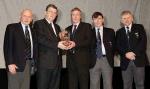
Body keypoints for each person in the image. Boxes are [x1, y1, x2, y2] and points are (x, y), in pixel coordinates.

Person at [33, 4, 67, 89]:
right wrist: (57, 44)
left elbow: (59, 42)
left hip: (57, 64)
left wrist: (66, 44)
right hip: (45, 64)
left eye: (55, 13)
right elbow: (40, 39)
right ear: (45, 13)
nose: (52, 14)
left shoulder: (57, 27)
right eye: (50, 11)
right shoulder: (38, 24)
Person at [3, 9, 37, 89]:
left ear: (32, 19)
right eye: (25, 16)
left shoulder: (33, 31)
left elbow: (35, 48)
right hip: (15, 65)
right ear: (21, 16)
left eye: (29, 16)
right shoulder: (12, 27)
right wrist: (10, 63)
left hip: (29, 65)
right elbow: (7, 46)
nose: (27, 18)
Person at [116, 10, 148, 89]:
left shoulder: (139, 27)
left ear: (132, 18)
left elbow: (143, 42)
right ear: (121, 21)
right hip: (125, 62)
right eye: (124, 18)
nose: (126, 20)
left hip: (138, 60)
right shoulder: (119, 32)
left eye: (128, 17)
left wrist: (133, 53)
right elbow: (118, 46)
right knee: (126, 85)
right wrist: (126, 54)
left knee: (140, 84)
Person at [65, 7, 92, 89]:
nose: (75, 16)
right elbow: (66, 43)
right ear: (71, 16)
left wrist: (75, 44)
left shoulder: (87, 26)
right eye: (73, 15)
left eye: (77, 15)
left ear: (80, 16)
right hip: (70, 62)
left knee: (84, 85)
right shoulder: (67, 29)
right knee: (72, 85)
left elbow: (88, 41)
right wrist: (65, 44)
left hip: (83, 62)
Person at [89, 12, 115, 89]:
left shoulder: (110, 31)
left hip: (106, 60)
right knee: (94, 85)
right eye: (95, 19)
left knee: (108, 85)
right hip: (94, 61)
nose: (97, 21)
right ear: (93, 21)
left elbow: (114, 47)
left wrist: (109, 56)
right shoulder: (89, 32)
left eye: (99, 18)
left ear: (103, 20)